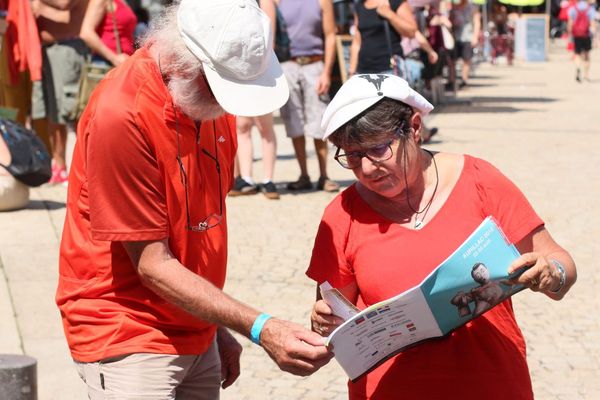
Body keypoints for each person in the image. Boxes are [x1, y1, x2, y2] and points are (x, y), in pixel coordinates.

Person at [56, 0, 331, 398]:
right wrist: (258, 326)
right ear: (185, 60)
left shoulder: (206, 101)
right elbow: (152, 263)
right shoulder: (122, 114)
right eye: (222, 86)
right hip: (126, 328)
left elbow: (195, 231)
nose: (228, 104)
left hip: (193, 323)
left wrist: (214, 325)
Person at [307, 74, 577, 399]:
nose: (366, 169)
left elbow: (562, 265)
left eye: (378, 149)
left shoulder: (480, 182)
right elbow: (336, 320)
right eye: (351, 156)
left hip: (492, 385)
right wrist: (324, 322)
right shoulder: (342, 215)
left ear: (415, 128)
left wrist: (553, 275)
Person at [349, 1, 438, 144]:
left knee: (397, 115)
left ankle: (408, 145)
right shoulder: (359, 6)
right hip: (364, 72)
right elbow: (357, 42)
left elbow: (411, 31)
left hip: (389, 69)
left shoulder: (395, 2)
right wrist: (351, 72)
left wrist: (390, 15)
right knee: (370, 117)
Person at [278, 0, 340, 192]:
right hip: (287, 65)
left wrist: (327, 72)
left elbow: (330, 35)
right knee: (293, 121)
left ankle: (324, 175)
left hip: (315, 64)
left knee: (319, 122)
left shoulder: (322, 1)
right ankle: (303, 174)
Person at [32, 0, 89, 184]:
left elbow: (65, 5)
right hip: (46, 49)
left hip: (67, 47)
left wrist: (40, 7)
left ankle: (70, 167)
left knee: (67, 111)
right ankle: (58, 163)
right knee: (50, 111)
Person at [230, 0, 279, 199]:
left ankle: (268, 180)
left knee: (265, 126)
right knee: (242, 126)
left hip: (261, 70)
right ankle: (247, 178)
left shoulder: (264, 1)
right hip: (238, 69)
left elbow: (270, 38)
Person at [79, 0, 137, 67]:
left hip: (123, 63)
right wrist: (114, 58)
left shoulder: (124, 2)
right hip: (105, 63)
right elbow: (86, 33)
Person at [449, 0, 480, 89]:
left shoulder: (472, 6)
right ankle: (452, 81)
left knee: (466, 59)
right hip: (455, 37)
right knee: (452, 60)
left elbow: (477, 22)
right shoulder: (453, 6)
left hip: (468, 37)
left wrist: (475, 36)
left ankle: (464, 80)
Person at [568, 0, 597, 82]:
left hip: (576, 35)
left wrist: (570, 34)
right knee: (587, 55)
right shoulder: (590, 9)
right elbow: (592, 23)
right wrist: (595, 38)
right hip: (586, 35)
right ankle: (586, 75)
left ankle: (578, 68)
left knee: (577, 54)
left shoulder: (573, 8)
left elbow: (570, 23)